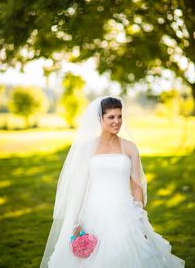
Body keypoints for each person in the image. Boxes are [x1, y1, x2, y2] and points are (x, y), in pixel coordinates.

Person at [40, 96, 185, 268]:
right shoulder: (87, 148)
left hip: (125, 213)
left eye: (119, 116)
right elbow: (80, 188)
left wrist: (139, 217)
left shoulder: (130, 147)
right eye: (111, 117)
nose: (117, 121)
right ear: (99, 119)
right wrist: (76, 221)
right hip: (93, 214)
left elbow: (137, 185)